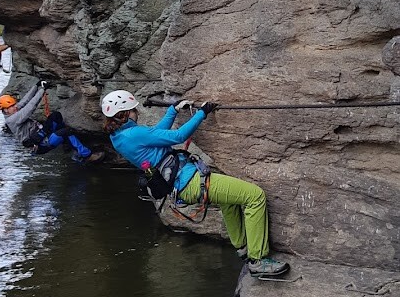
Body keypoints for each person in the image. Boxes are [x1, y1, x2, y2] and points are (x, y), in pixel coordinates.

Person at [101, 90, 289, 279]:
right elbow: (178, 136)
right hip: (188, 180)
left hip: (181, 186)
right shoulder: (134, 133)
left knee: (229, 201)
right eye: (133, 110)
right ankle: (258, 261)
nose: (137, 112)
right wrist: (203, 112)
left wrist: (172, 111)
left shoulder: (119, 136)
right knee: (254, 196)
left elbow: (157, 136)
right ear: (125, 114)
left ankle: (242, 248)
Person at [0, 81, 104, 162]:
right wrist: (42, 90)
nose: (15, 107)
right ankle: (87, 156)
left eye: (14, 105)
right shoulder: (12, 120)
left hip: (41, 133)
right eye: (11, 107)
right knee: (67, 132)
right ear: (5, 110)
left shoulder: (12, 111)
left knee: (56, 116)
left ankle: (67, 144)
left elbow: (25, 101)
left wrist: (36, 85)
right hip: (40, 144)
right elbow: (30, 107)